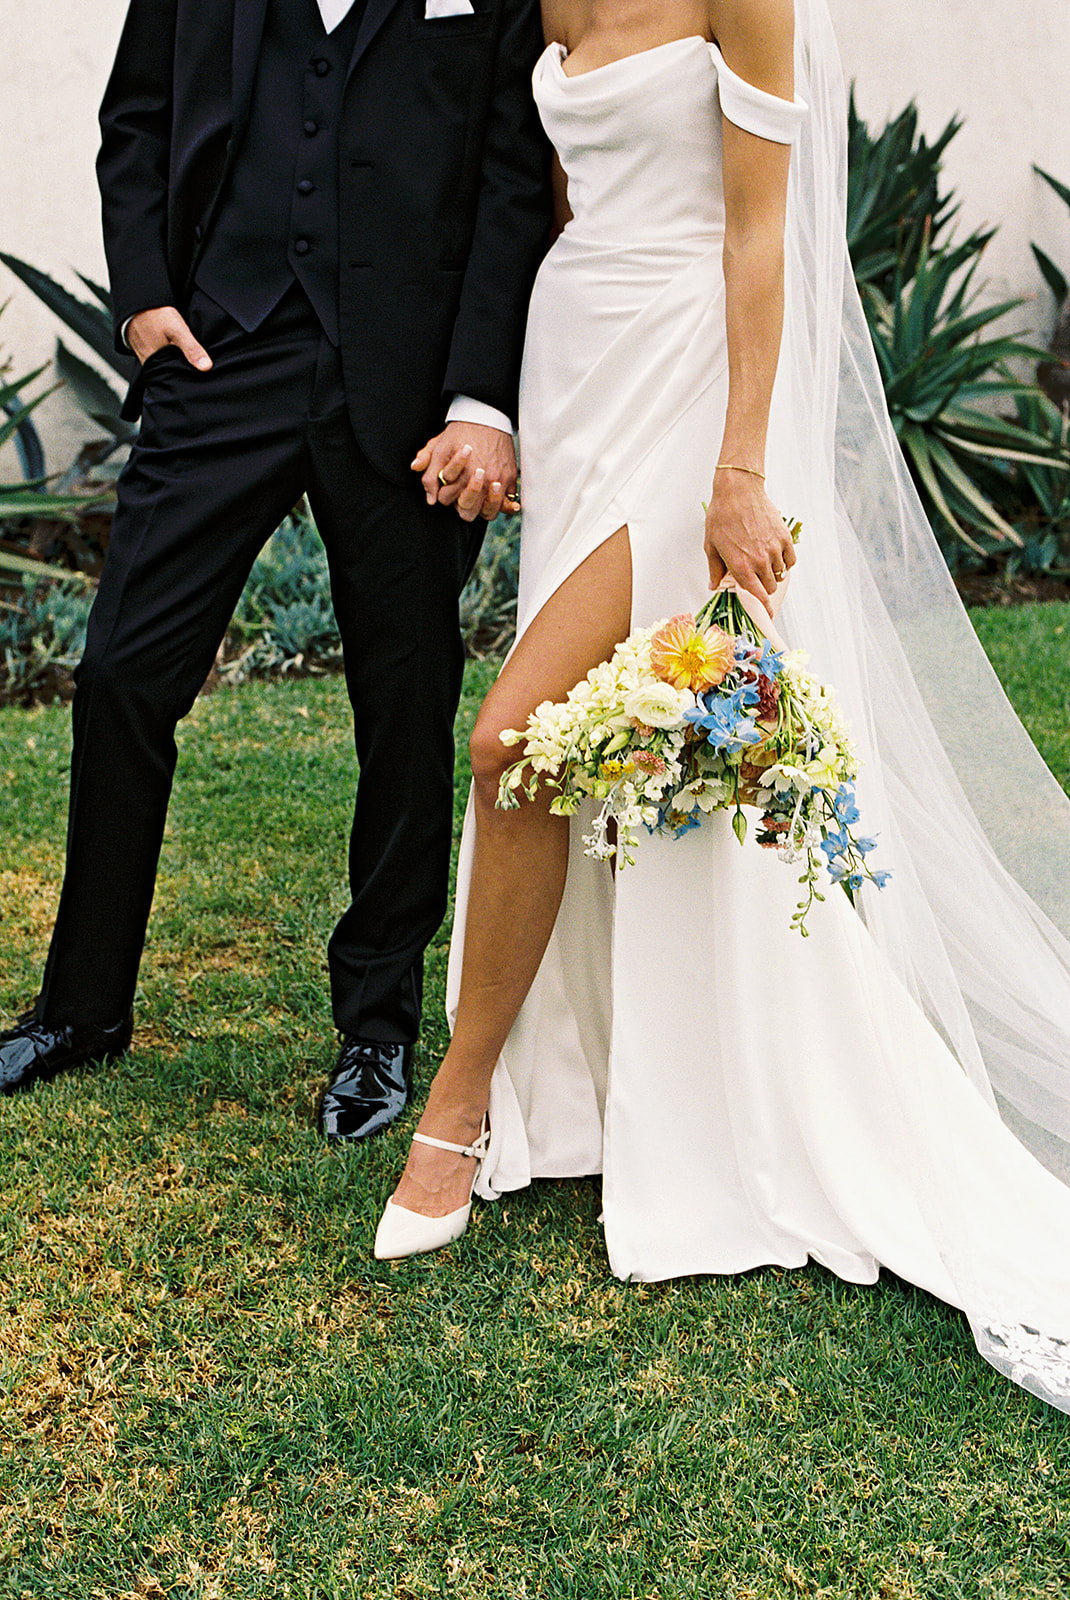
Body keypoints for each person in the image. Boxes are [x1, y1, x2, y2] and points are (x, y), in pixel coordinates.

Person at [374, 0, 1070, 1413]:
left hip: (694, 381)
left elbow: (761, 232)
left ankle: (454, 1108)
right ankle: (604, 1083)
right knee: (610, 746)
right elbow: (548, 193)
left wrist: (742, 466)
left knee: (513, 736)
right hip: (580, 368)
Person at [0, 0, 551, 1142]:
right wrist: (146, 296)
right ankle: (81, 1007)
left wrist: (480, 400)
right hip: (222, 354)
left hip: (402, 383)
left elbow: (510, 180)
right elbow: (136, 118)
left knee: (402, 701)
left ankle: (376, 1028)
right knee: (121, 671)